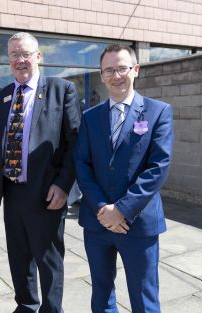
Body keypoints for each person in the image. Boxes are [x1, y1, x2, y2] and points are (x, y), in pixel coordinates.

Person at [0, 32, 81, 313]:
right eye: (14, 55)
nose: (20, 60)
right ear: (8, 60)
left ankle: (51, 309)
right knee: (19, 256)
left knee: (49, 260)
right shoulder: (2, 97)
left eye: (25, 53)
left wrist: (64, 185)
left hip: (47, 193)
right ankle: (25, 305)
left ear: (38, 56)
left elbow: (75, 144)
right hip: (12, 192)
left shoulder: (62, 90)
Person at [74, 45, 174, 313]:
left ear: (136, 70)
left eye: (122, 68)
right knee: (102, 293)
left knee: (144, 298)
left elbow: (158, 167)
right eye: (109, 70)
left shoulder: (158, 112)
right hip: (97, 224)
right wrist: (102, 209)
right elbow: (82, 165)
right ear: (102, 75)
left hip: (138, 225)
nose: (116, 75)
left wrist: (122, 210)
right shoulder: (89, 117)